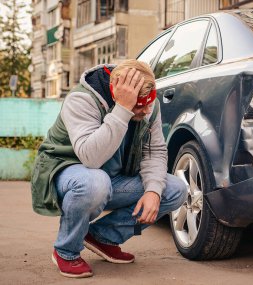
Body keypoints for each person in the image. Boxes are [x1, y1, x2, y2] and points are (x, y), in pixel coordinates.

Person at [30, 59, 188, 278]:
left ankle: (103, 237)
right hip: (67, 173)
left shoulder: (149, 107)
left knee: (174, 189)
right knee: (95, 183)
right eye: (138, 105)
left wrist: (152, 190)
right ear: (118, 95)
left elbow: (155, 151)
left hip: (113, 179)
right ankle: (66, 251)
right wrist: (122, 110)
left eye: (149, 103)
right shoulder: (82, 99)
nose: (146, 110)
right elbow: (91, 159)